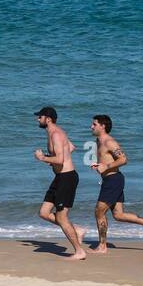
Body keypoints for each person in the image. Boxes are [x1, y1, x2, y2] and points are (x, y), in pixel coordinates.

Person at [89, 114, 143, 253]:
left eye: (94, 124)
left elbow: (123, 160)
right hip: (111, 180)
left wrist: (106, 167)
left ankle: (102, 246)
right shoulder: (98, 141)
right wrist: (100, 165)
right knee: (118, 215)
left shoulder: (109, 142)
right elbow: (108, 160)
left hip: (113, 180)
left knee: (99, 211)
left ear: (103, 126)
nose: (91, 126)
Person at [32, 106, 86, 260]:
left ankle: (79, 251)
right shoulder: (53, 133)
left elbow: (61, 160)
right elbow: (71, 147)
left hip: (67, 178)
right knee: (44, 212)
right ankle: (77, 229)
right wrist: (54, 157)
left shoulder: (56, 134)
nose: (38, 119)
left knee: (62, 218)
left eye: (40, 117)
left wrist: (43, 158)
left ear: (48, 119)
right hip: (60, 178)